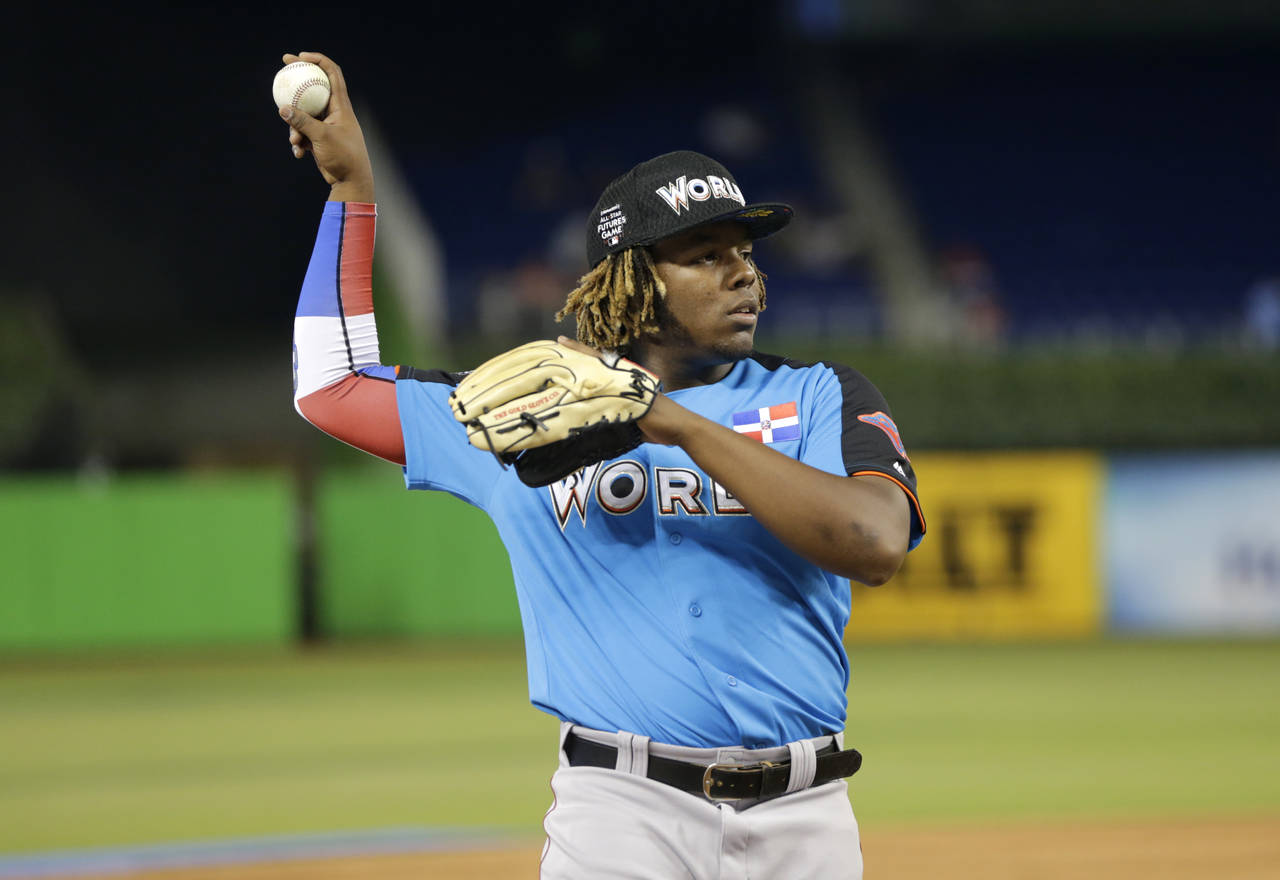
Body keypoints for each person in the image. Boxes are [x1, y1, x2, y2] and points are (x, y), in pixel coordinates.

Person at [280, 51, 925, 880]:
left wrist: (676, 426)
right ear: (633, 281)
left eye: (745, 249)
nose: (744, 274)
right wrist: (350, 192)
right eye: (704, 254)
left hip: (806, 821)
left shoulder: (820, 394)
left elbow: (875, 542)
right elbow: (331, 386)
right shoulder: (526, 410)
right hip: (623, 815)